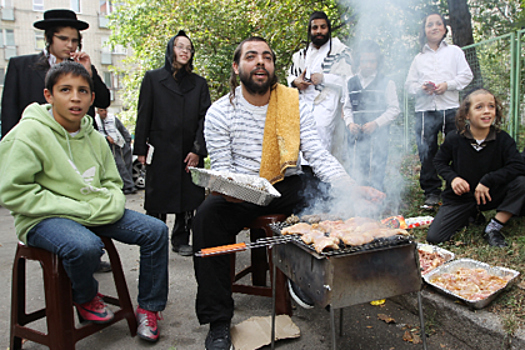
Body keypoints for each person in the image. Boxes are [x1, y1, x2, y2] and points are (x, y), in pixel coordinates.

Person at [194, 36, 384, 350]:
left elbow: (318, 154)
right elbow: (224, 169)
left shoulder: (293, 103)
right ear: (236, 66)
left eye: (267, 57)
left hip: (283, 183)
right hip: (241, 191)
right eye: (251, 56)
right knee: (205, 219)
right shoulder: (218, 113)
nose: (260, 62)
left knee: (322, 192)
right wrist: (227, 189)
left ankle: (304, 280)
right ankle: (218, 321)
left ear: (273, 68)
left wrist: (352, 186)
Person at [0, 61, 169, 342]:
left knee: (156, 231)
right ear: (49, 95)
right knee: (84, 245)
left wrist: (108, 207)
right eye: (65, 90)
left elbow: (113, 184)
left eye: (83, 91)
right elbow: (15, 193)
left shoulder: (96, 137)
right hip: (42, 217)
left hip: (92, 210)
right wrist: (77, 210)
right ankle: (85, 295)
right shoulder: (29, 133)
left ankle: (149, 309)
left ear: (92, 98)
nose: (75, 98)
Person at [134, 30, 210, 257]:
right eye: (180, 46)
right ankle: (152, 238)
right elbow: (143, 115)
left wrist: (198, 150)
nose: (185, 51)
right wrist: (140, 150)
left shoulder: (199, 84)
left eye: (189, 48)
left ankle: (180, 239)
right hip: (160, 148)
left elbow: (204, 120)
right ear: (171, 50)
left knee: (188, 197)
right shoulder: (153, 78)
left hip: (189, 151)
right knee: (158, 196)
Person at [426, 88, 525, 247]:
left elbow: (518, 166)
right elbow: (439, 162)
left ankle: (493, 228)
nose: (487, 111)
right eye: (479, 107)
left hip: (491, 194)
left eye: (491, 106)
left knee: (521, 183)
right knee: (435, 237)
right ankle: (472, 214)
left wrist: (488, 180)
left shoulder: (503, 139)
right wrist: (453, 178)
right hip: (462, 196)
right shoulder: (454, 138)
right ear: (467, 114)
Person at [1, 9, 110, 138]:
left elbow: (103, 101)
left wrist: (88, 75)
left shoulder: (83, 67)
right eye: (63, 39)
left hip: (78, 141)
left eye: (74, 41)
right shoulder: (21, 66)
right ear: (48, 38)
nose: (70, 45)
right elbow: (9, 112)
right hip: (36, 140)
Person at [405, 13, 473, 206]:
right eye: (429, 25)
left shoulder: (454, 51)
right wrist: (421, 89)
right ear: (424, 30)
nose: (434, 27)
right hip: (425, 110)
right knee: (427, 150)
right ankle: (431, 191)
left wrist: (448, 85)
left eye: (438, 24)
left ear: (444, 29)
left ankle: (455, 189)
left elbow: (466, 75)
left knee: (456, 148)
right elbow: (408, 85)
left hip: (451, 108)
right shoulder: (418, 58)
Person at [288, 11, 353, 154]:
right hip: (303, 104)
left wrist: (324, 78)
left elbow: (349, 81)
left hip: (328, 103)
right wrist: (296, 82)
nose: (319, 31)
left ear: (328, 29)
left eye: (323, 27)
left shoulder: (341, 52)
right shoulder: (301, 55)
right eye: (315, 28)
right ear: (310, 30)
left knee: (321, 140)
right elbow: (290, 76)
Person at [342, 40, 400, 191]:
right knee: (356, 166)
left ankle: (376, 199)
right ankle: (358, 199)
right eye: (364, 61)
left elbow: (394, 109)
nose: (368, 65)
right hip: (356, 136)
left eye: (372, 61)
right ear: (359, 61)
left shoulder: (387, 83)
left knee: (377, 166)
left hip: (378, 136)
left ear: (377, 62)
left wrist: (376, 123)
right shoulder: (349, 82)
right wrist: (349, 123)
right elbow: (347, 107)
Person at [95, 107, 137, 195]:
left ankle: (128, 186)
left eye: (105, 110)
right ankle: (129, 186)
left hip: (121, 143)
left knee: (127, 165)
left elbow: (123, 130)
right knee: (120, 165)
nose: (104, 113)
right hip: (111, 147)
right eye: (102, 111)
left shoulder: (112, 118)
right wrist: (106, 137)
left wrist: (127, 142)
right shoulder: (96, 121)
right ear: (97, 112)